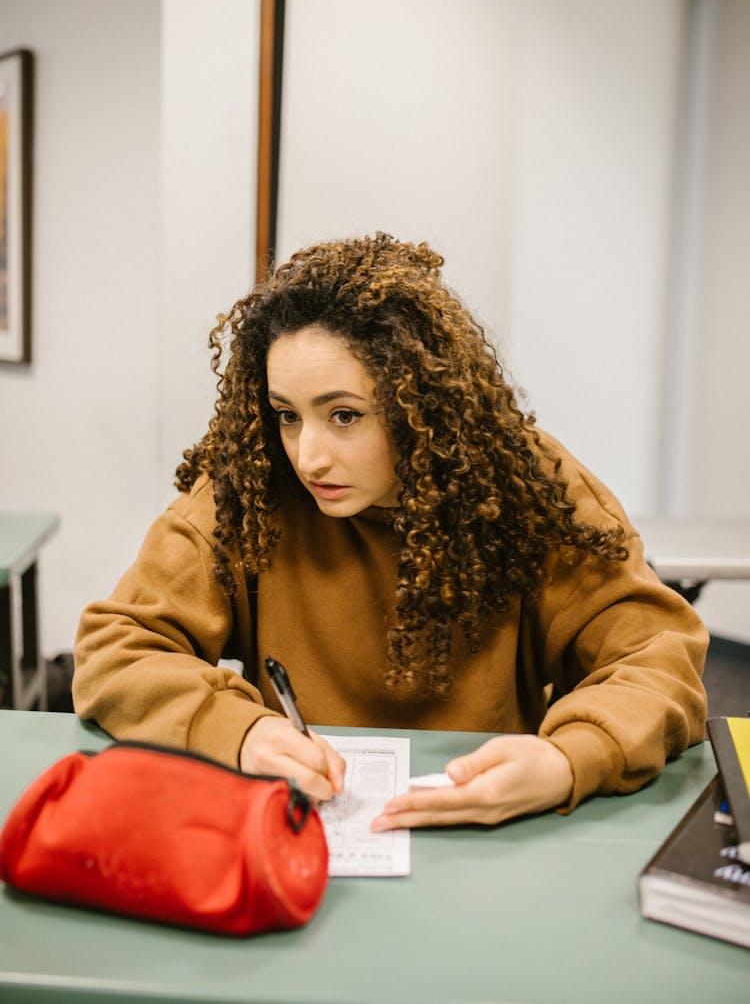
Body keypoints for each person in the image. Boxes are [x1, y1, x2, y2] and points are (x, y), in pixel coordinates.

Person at [73, 233, 708, 831]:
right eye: (287, 416)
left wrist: (570, 759)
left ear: (420, 404)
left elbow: (657, 658)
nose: (309, 455)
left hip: (505, 826)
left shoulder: (531, 488)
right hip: (308, 828)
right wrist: (238, 731)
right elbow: (116, 649)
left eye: (344, 415)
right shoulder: (249, 491)